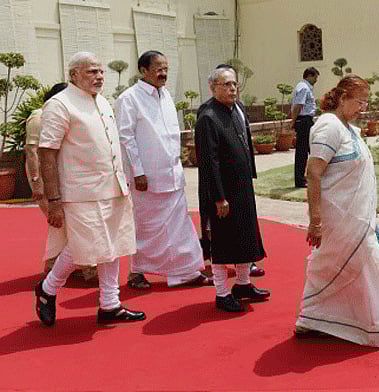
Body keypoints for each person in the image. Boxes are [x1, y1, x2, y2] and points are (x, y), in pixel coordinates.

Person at [295, 75, 379, 351]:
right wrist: (316, 221)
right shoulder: (328, 127)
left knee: (337, 267)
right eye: (359, 101)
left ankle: (313, 318)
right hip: (338, 219)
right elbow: (313, 174)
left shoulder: (347, 127)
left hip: (356, 218)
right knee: (364, 265)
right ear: (343, 97)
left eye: (365, 102)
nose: (363, 107)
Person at [35, 51, 145, 326]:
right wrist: (54, 200)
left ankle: (110, 304)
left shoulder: (103, 103)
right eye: (91, 72)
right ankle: (47, 290)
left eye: (100, 72)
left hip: (113, 187)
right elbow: (47, 153)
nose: (98, 77)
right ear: (73, 75)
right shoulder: (60, 105)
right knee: (84, 247)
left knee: (112, 245)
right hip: (79, 193)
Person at [115, 50, 210, 289]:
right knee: (146, 227)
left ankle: (187, 271)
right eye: (158, 68)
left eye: (166, 67)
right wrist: (137, 172)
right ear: (143, 71)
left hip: (172, 173)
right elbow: (125, 138)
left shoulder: (166, 95)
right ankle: (136, 273)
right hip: (146, 177)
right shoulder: (130, 98)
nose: (163, 72)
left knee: (180, 226)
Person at [195, 65, 270, 312]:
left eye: (234, 84)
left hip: (242, 187)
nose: (232, 88)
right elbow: (209, 161)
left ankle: (243, 283)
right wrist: (218, 197)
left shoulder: (237, 109)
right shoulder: (208, 116)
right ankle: (221, 292)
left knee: (244, 236)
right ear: (212, 87)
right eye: (226, 84)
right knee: (222, 242)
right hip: (222, 192)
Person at [25, 83, 97, 283]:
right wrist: (37, 183)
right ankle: (74, 269)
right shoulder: (39, 117)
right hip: (45, 179)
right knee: (61, 223)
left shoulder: (62, 116)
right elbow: (32, 152)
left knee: (66, 223)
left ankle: (62, 267)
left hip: (62, 178)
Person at [290, 67, 320, 188]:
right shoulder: (303, 87)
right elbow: (298, 106)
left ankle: (310, 176)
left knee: (311, 149)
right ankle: (300, 180)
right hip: (303, 121)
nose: (316, 80)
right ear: (309, 76)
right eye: (315, 77)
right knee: (302, 152)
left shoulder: (305, 87)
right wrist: (293, 121)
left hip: (306, 121)